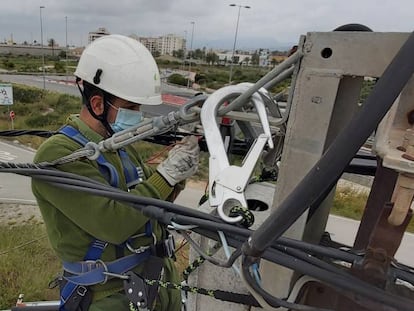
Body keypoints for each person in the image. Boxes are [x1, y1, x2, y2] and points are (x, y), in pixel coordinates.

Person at [31, 34, 200, 311]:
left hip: (154, 283)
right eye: (131, 108)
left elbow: (155, 203)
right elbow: (113, 224)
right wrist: (166, 175)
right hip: (109, 296)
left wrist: (177, 175)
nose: (138, 116)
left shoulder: (120, 147)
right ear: (98, 105)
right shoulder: (58, 155)